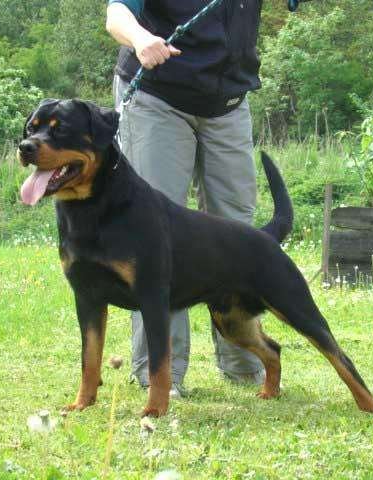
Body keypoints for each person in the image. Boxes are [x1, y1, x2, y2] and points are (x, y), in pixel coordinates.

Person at [105, 0, 291, 396]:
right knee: (156, 240)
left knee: (239, 233)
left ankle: (244, 362)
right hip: (157, 98)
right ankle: (161, 374)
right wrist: (140, 38)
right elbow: (116, 14)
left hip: (227, 104)